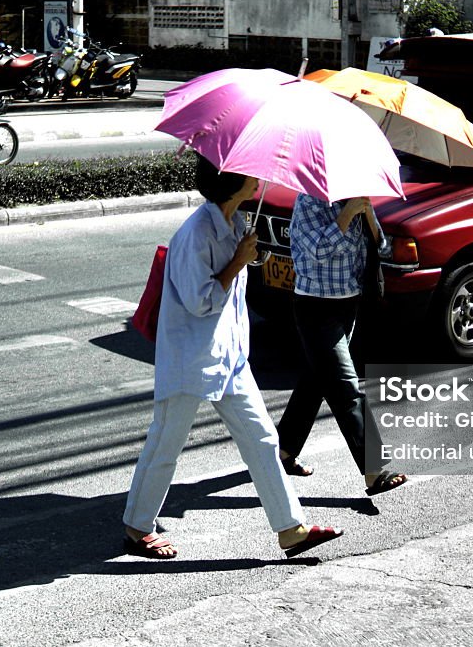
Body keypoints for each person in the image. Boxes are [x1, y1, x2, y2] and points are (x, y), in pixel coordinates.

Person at [122, 154, 344, 560]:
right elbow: (199, 299)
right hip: (191, 357)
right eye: (250, 173)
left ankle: (290, 528)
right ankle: (137, 527)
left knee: (262, 438)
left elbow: (230, 284)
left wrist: (247, 255)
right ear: (232, 182)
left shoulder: (235, 221)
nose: (258, 176)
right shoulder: (196, 233)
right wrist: (238, 261)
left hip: (230, 354)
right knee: (166, 444)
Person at [277, 194, 408, 496]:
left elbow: (381, 246)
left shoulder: (357, 200)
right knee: (345, 386)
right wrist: (347, 214)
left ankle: (282, 451)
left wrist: (367, 217)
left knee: (317, 380)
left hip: (348, 303)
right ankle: (374, 470)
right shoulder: (309, 202)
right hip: (315, 306)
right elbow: (318, 250)